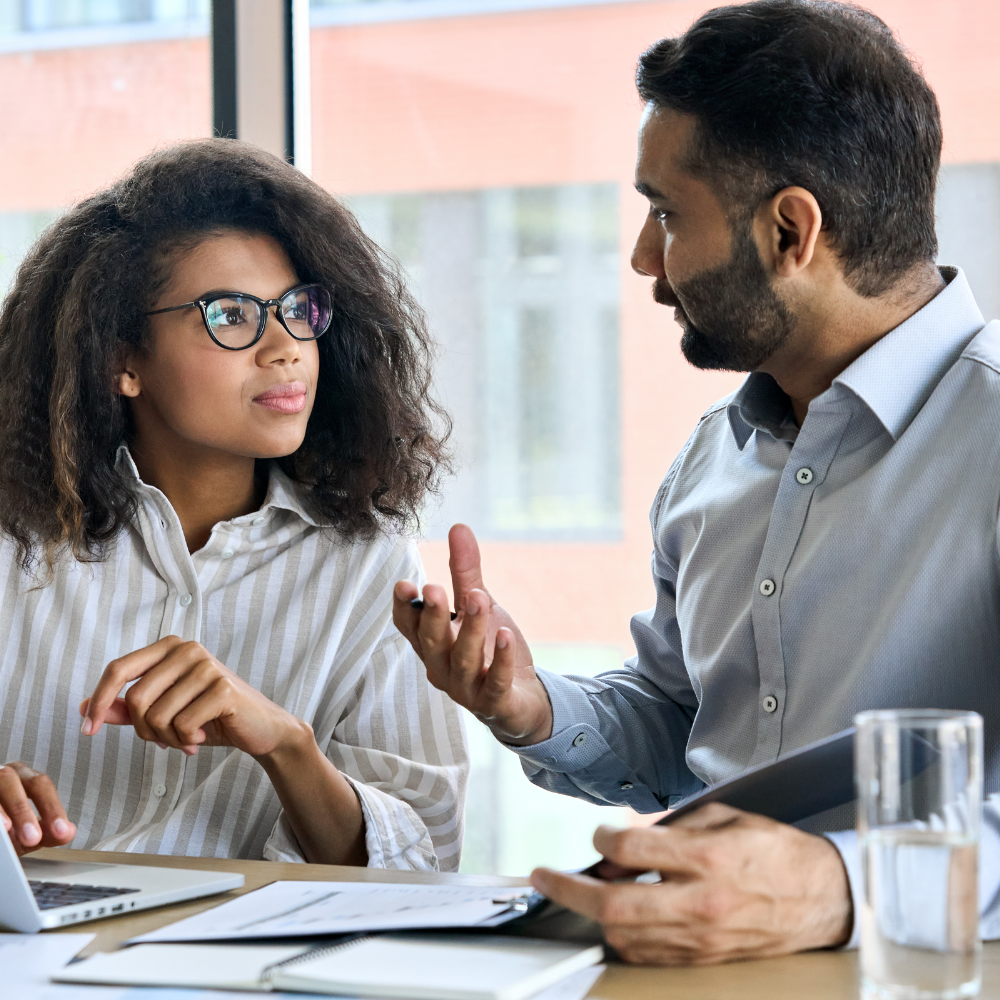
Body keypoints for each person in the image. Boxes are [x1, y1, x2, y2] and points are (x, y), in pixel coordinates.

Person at [393, 0, 1000, 963]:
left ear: (790, 231)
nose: (642, 258)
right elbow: (685, 726)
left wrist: (845, 887)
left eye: (667, 213)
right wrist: (531, 705)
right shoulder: (712, 459)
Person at [0, 139, 467, 871]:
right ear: (122, 360)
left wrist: (287, 746)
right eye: (230, 314)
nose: (285, 348)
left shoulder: (369, 566)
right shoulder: (12, 543)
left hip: (242, 979)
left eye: (298, 309)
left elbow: (427, 860)